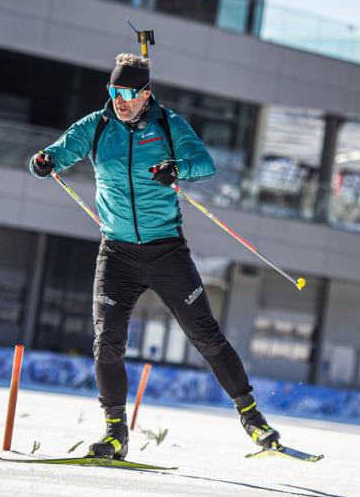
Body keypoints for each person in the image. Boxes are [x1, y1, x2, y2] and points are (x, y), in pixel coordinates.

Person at [28, 53, 278, 459]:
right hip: (117, 254)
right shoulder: (97, 126)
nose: (119, 99)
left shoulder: (168, 124)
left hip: (166, 252)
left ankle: (252, 417)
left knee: (205, 335)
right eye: (113, 91)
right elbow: (56, 152)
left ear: (146, 94)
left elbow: (205, 163)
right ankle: (114, 433)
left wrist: (176, 168)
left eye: (127, 92)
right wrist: (43, 161)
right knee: (107, 342)